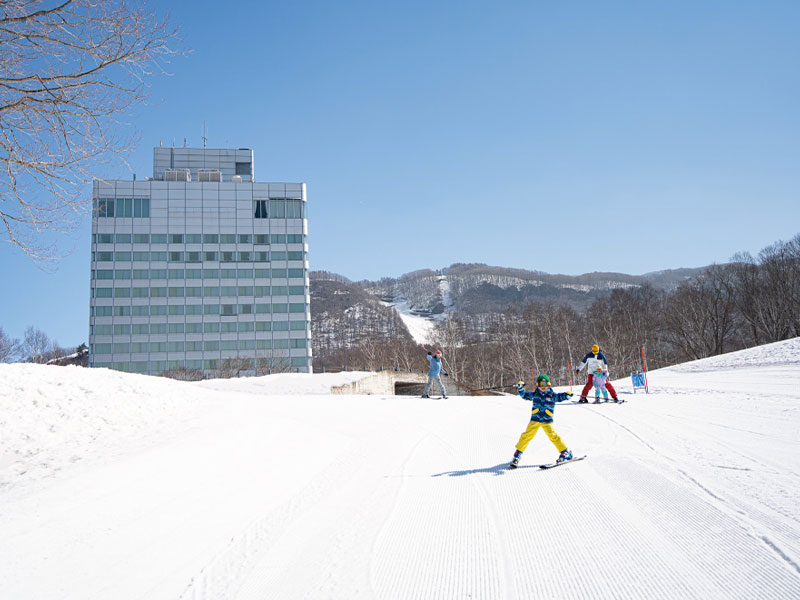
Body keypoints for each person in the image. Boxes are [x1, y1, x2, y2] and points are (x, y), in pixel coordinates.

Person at [509, 375, 574, 468]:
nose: (543, 387)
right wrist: (520, 389)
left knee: (553, 436)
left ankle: (565, 452)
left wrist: (567, 395)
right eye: (541, 385)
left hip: (547, 420)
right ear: (537, 385)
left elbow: (560, 397)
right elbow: (525, 395)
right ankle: (517, 454)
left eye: (545, 385)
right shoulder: (535, 394)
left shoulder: (552, 395)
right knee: (526, 436)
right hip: (535, 419)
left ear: (549, 385)